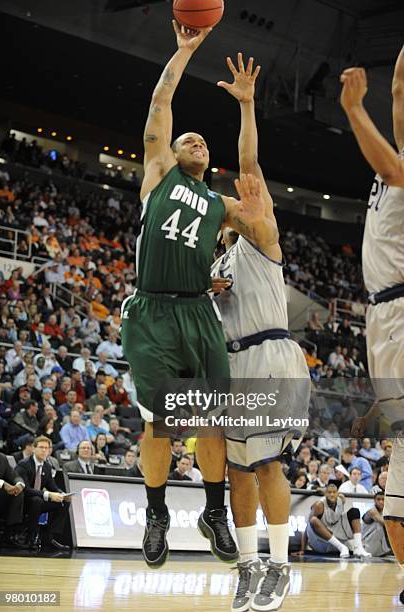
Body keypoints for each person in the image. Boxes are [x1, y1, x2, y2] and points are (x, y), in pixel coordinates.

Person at [120, 24, 274, 570]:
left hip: (197, 311)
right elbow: (162, 100)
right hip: (154, 311)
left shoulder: (217, 204)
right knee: (161, 422)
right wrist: (185, 51)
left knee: (210, 422)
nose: (196, 141)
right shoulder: (158, 174)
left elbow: (250, 167)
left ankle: (214, 513)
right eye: (188, 138)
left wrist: (248, 108)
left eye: (202, 142)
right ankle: (156, 513)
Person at [211, 53, 311, 612]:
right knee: (236, 470)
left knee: (268, 463)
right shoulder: (214, 266)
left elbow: (249, 163)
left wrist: (248, 105)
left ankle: (280, 566)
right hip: (231, 365)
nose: (237, 199)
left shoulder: (260, 234)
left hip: (271, 353)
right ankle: (248, 567)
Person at [341, 47, 404, 602]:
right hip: (382, 314)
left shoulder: (398, 169)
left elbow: (389, 164)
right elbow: (401, 91)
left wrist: (355, 110)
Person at [16, 436, 71, 550]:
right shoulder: (24, 464)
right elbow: (25, 489)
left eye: (47, 448)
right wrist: (49, 495)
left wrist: (62, 494)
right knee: (37, 501)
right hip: (22, 500)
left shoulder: (46, 466)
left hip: (38, 499)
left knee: (64, 502)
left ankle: (49, 537)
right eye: (41, 447)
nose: (44, 450)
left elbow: (52, 486)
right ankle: (30, 537)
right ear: (34, 448)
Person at [296, 484, 370, 559]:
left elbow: (338, 495)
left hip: (334, 532)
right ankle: (341, 547)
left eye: (334, 492)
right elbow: (308, 526)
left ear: (337, 493)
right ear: (325, 494)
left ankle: (358, 548)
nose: (332, 494)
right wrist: (303, 549)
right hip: (319, 540)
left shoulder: (341, 499)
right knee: (313, 520)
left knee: (354, 511)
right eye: (329, 492)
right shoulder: (319, 505)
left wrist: (324, 490)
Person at [0, 450, 25, 547]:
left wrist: (19, 484)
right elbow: (2, 483)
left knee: (17, 494)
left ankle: (9, 535)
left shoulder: (1, 457)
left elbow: (14, 475)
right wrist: (3, 483)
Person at [362, 492, 392, 557]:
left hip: (379, 547)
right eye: (378, 499)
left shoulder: (386, 511)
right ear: (374, 500)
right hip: (367, 545)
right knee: (382, 526)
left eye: (383, 499)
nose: (381, 502)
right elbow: (385, 524)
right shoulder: (372, 511)